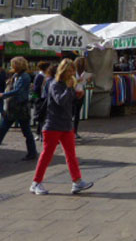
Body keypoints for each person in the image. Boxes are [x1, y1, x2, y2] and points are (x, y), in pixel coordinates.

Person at [30, 58, 93, 195]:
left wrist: (78, 95)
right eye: (69, 71)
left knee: (71, 155)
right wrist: (70, 89)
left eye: (73, 71)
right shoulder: (55, 84)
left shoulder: (67, 83)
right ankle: (36, 183)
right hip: (53, 125)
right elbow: (60, 101)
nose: (72, 74)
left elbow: (70, 103)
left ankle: (77, 181)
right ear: (63, 71)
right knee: (47, 155)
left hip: (66, 125)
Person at [0, 56, 37, 162]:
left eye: (13, 64)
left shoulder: (25, 77)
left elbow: (17, 90)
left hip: (21, 108)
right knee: (2, 131)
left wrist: (2, 95)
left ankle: (32, 153)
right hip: (12, 108)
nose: (11, 67)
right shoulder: (15, 76)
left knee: (26, 132)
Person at [35, 63, 57, 140]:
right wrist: (36, 99)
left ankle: (40, 134)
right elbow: (36, 89)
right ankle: (40, 134)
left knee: (43, 118)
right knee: (43, 118)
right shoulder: (40, 77)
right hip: (43, 100)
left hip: (43, 100)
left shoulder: (45, 78)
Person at [73, 57, 93, 138]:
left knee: (77, 113)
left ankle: (75, 131)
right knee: (71, 113)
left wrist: (88, 80)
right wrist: (78, 81)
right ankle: (68, 132)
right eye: (82, 63)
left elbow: (84, 83)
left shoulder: (84, 72)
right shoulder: (73, 72)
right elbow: (70, 83)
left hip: (81, 93)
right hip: (73, 94)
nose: (84, 64)